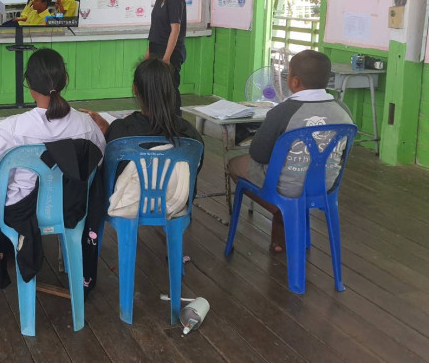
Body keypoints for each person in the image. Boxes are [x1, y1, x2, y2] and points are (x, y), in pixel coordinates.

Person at [0, 49, 105, 287]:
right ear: (65, 80)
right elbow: (98, 159)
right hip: (70, 208)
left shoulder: (14, 127)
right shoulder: (86, 124)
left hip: (21, 211)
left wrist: (2, 159)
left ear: (29, 85)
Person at [228, 50, 354, 253]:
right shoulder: (343, 110)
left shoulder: (282, 111)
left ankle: (280, 209)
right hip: (326, 184)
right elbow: (345, 152)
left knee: (235, 164)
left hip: (287, 187)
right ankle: (287, 215)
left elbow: (258, 154)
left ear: (294, 82)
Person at [83, 58, 203, 217]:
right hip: (175, 204)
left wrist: (108, 131)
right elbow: (194, 169)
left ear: (135, 88)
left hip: (129, 204)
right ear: (170, 90)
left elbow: (108, 170)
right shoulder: (190, 134)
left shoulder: (121, 130)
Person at [147, 0, 187, 114]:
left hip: (169, 51)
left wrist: (166, 58)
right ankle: (158, 119)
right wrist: (149, 51)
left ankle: (175, 121)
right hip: (156, 48)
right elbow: (155, 27)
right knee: (155, 89)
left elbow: (175, 29)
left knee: (169, 88)